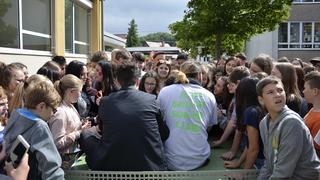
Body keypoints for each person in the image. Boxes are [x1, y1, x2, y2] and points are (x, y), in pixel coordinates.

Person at [80, 61, 168, 171]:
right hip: (150, 166)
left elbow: (102, 131)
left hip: (113, 165)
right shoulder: (150, 100)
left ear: (117, 80)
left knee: (85, 135)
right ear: (137, 81)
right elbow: (164, 133)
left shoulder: (106, 101)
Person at [257, 76, 320, 180]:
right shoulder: (264, 123)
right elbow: (268, 165)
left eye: (280, 90)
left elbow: (283, 172)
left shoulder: (291, 122)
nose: (277, 95)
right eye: (270, 92)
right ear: (261, 100)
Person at [158, 61, 217, 170]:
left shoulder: (165, 91)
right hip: (199, 158)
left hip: (171, 159)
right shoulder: (209, 96)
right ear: (199, 75)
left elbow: (159, 121)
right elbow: (208, 127)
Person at [3, 75, 64, 179]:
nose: (53, 114)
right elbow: (51, 168)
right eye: (53, 110)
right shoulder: (40, 126)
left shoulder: (16, 114)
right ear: (41, 106)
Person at [49, 74, 91, 160]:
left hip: (71, 157)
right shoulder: (60, 112)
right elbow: (57, 143)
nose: (80, 95)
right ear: (71, 91)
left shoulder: (70, 106)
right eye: (80, 91)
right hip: (63, 161)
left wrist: (81, 126)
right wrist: (78, 133)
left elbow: (71, 128)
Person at [303, 71, 320, 157]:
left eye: (305, 88)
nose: (303, 91)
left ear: (315, 91)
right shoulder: (313, 109)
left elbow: (316, 147)